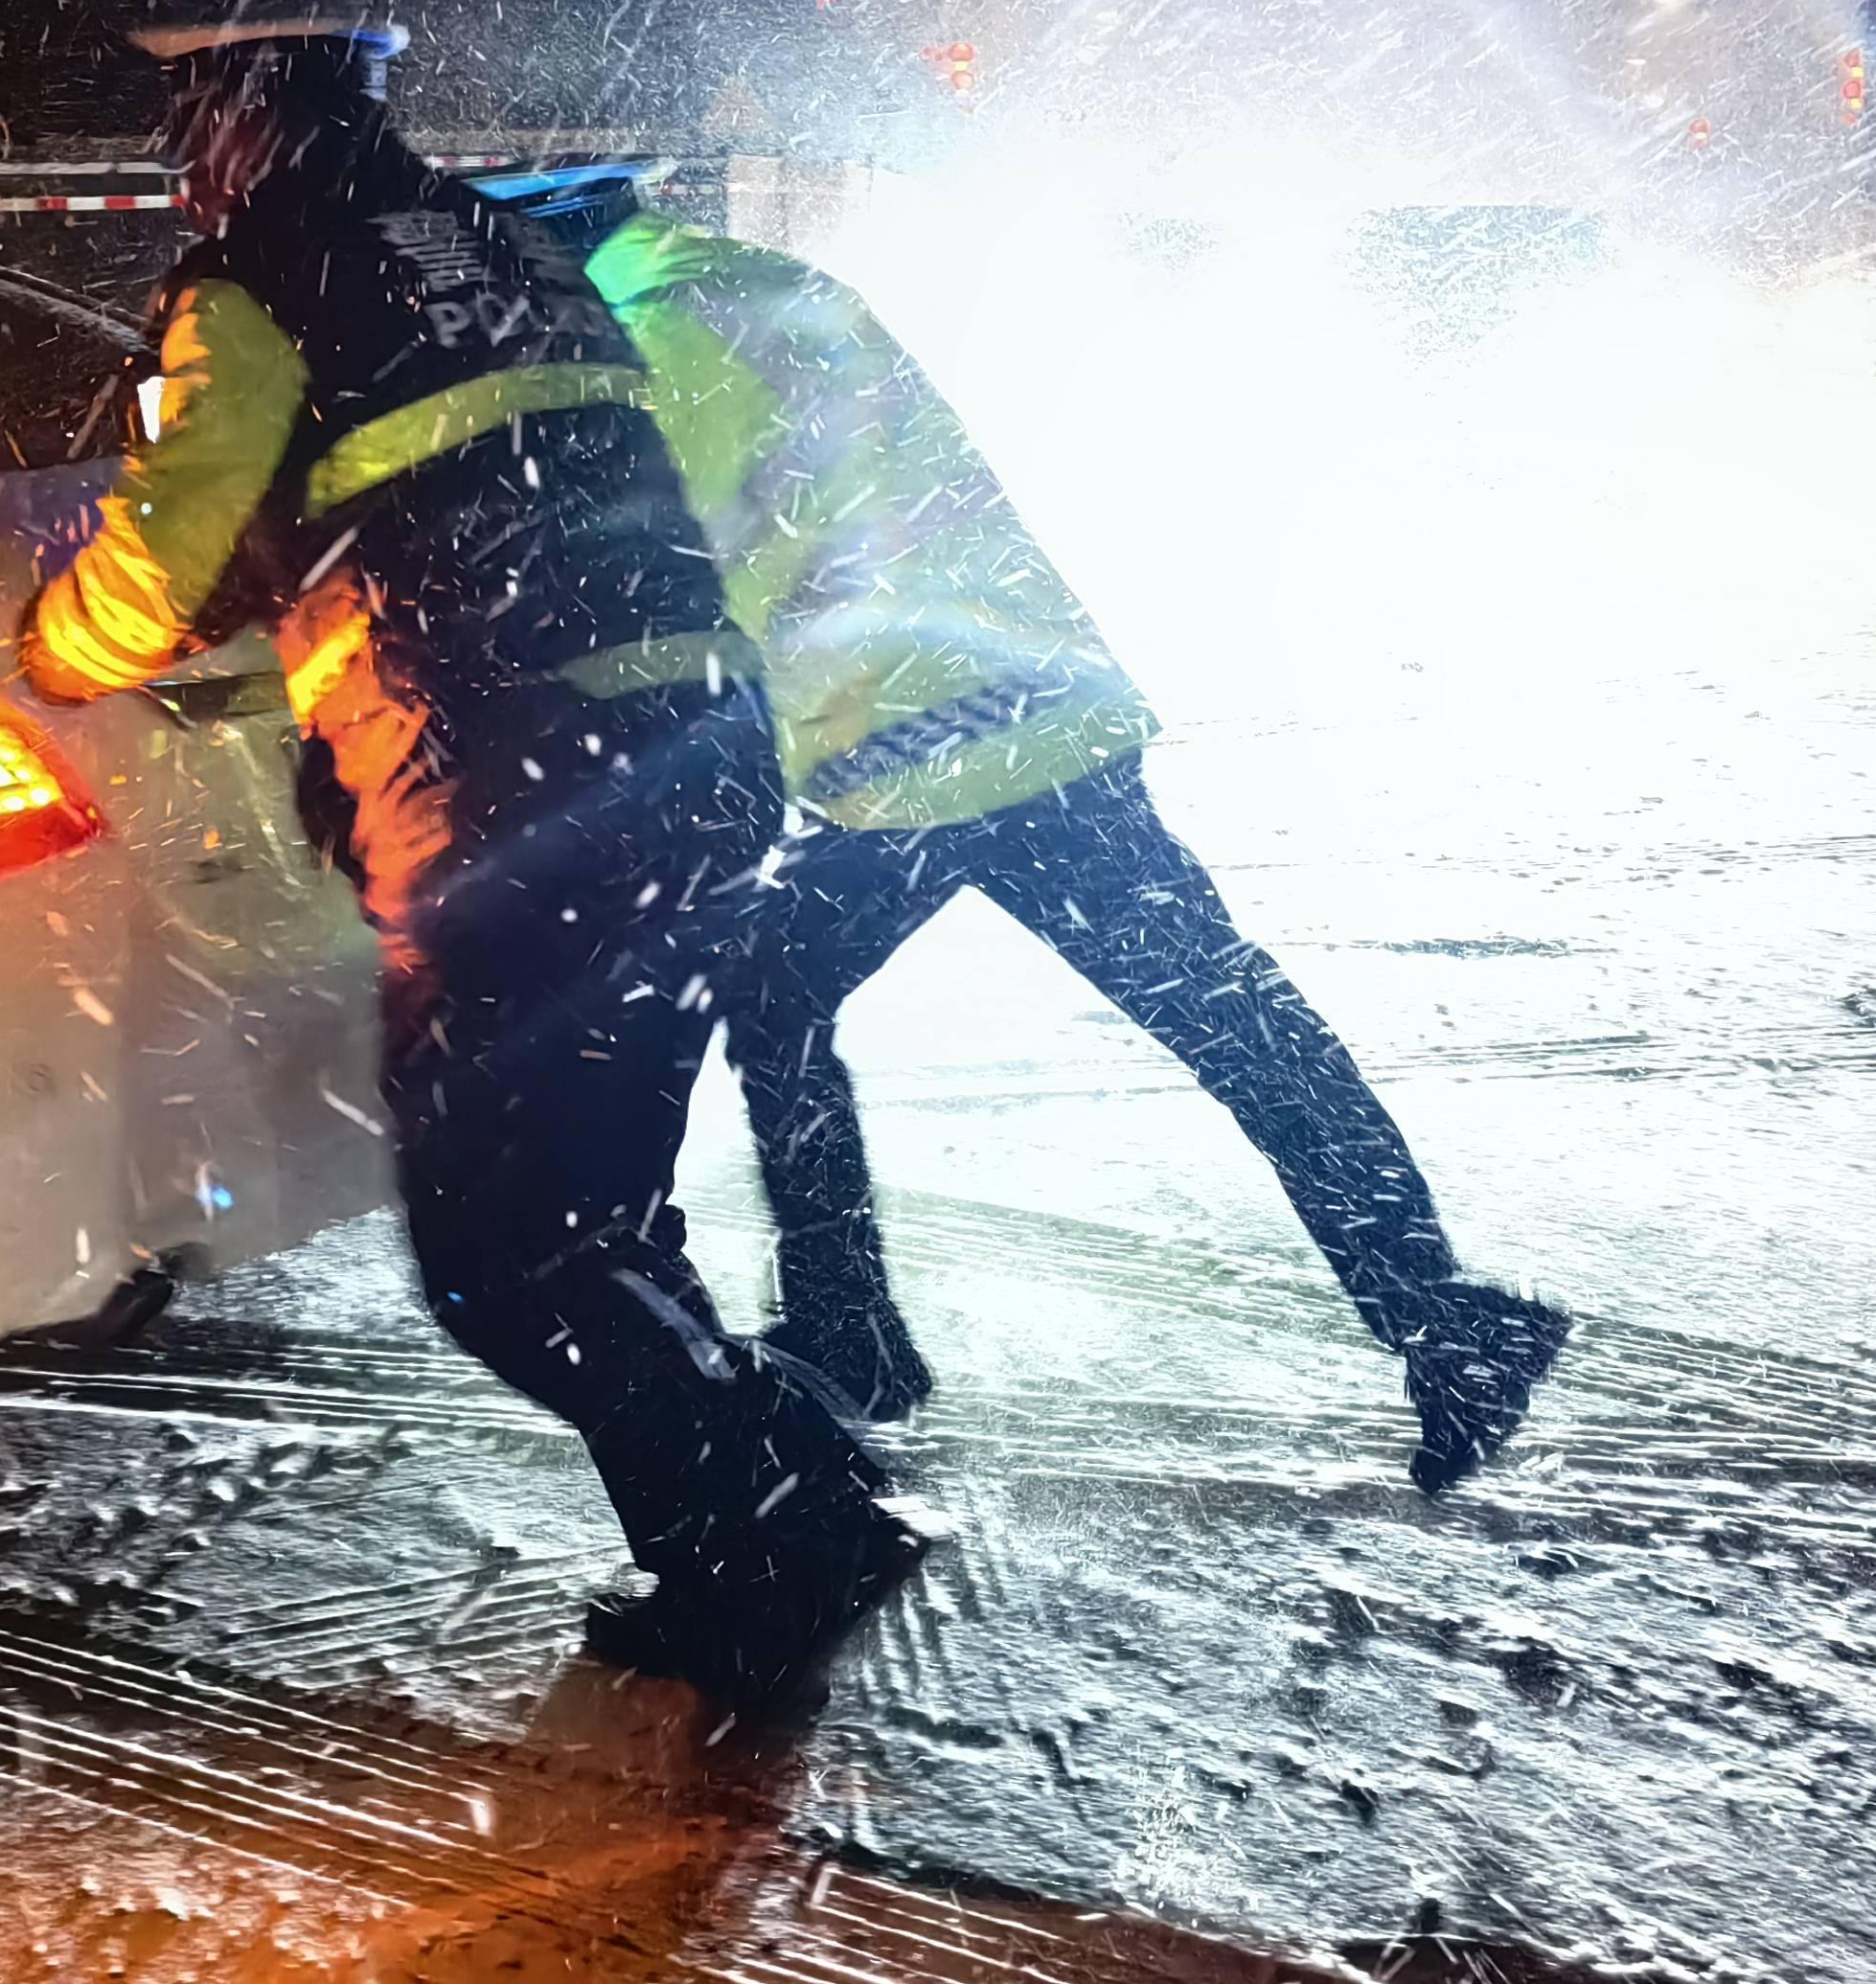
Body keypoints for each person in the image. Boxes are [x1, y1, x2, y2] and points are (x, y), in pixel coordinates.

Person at [21, 21, 915, 1685]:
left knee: (503, 1256)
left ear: (243, 108)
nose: (176, 154)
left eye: (186, 113)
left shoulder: (255, 279)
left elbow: (160, 562)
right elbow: (460, 474)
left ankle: (786, 1544)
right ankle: (771, 1542)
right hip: (691, 757)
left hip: (516, 796)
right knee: (605, 1215)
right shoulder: (504, 241)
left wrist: (48, 643)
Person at [583, 194, 1567, 1491]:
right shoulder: (752, 281)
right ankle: (1442, 1317)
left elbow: (650, 562)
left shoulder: (654, 335)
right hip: (1023, 697)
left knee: (782, 998)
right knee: (1231, 1020)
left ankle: (853, 1337)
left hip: (925, 744)